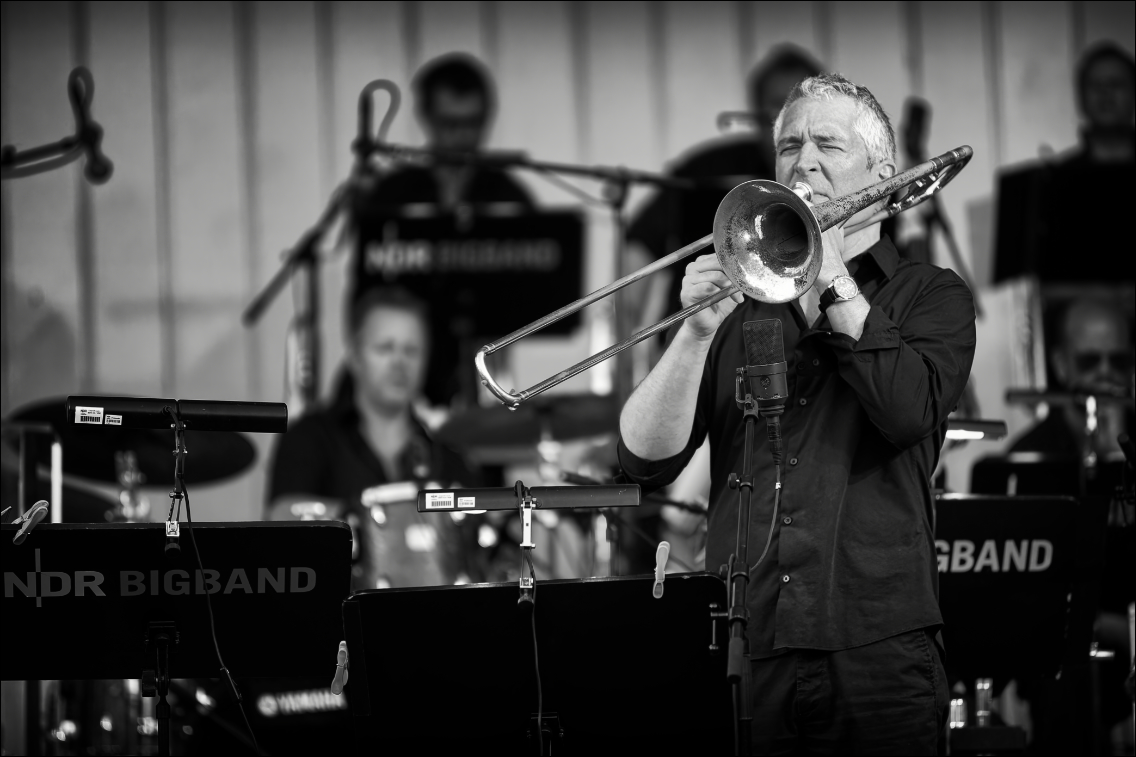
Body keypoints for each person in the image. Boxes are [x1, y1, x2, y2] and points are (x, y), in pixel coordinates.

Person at [617, 73, 976, 753]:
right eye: (788, 145)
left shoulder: (929, 296)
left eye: (826, 144)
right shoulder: (739, 307)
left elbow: (904, 411)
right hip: (750, 649)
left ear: (883, 174)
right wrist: (693, 332)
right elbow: (643, 458)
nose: (801, 160)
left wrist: (830, 274)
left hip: (879, 651)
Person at [266, 287, 484, 590]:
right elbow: (280, 517)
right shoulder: (311, 435)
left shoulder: (445, 451)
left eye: (411, 350)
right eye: (385, 348)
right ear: (354, 356)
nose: (399, 362)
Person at [353, 53, 537, 405]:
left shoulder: (509, 196)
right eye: (449, 124)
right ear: (427, 118)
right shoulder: (393, 195)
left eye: (472, 124)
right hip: (400, 373)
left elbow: (534, 295)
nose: (461, 137)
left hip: (482, 377)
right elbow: (364, 296)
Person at [625, 45, 823, 327]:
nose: (786, 115)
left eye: (798, 103)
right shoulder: (706, 170)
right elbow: (640, 244)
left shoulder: (833, 173)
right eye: (777, 103)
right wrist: (628, 345)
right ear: (755, 111)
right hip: (703, 336)